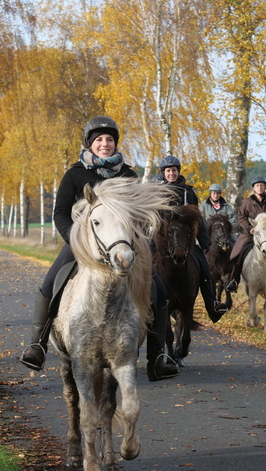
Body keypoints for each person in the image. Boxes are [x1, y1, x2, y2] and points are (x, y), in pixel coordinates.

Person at [19, 116, 178, 381]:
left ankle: (157, 356)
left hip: (122, 245)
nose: (105, 144)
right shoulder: (74, 174)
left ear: (115, 143)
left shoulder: (128, 175)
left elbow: (138, 216)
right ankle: (37, 344)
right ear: (90, 144)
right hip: (83, 244)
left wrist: (136, 240)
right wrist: (77, 240)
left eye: (110, 140)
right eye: (99, 140)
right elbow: (60, 214)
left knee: (158, 291)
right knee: (50, 284)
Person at [151, 156, 230, 323]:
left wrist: (205, 243)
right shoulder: (157, 192)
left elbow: (197, 219)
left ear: (178, 171)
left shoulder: (188, 192)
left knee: (203, 265)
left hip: (185, 241)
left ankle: (212, 305)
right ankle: (145, 305)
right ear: (163, 173)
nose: (171, 173)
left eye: (174, 170)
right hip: (163, 240)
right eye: (168, 171)